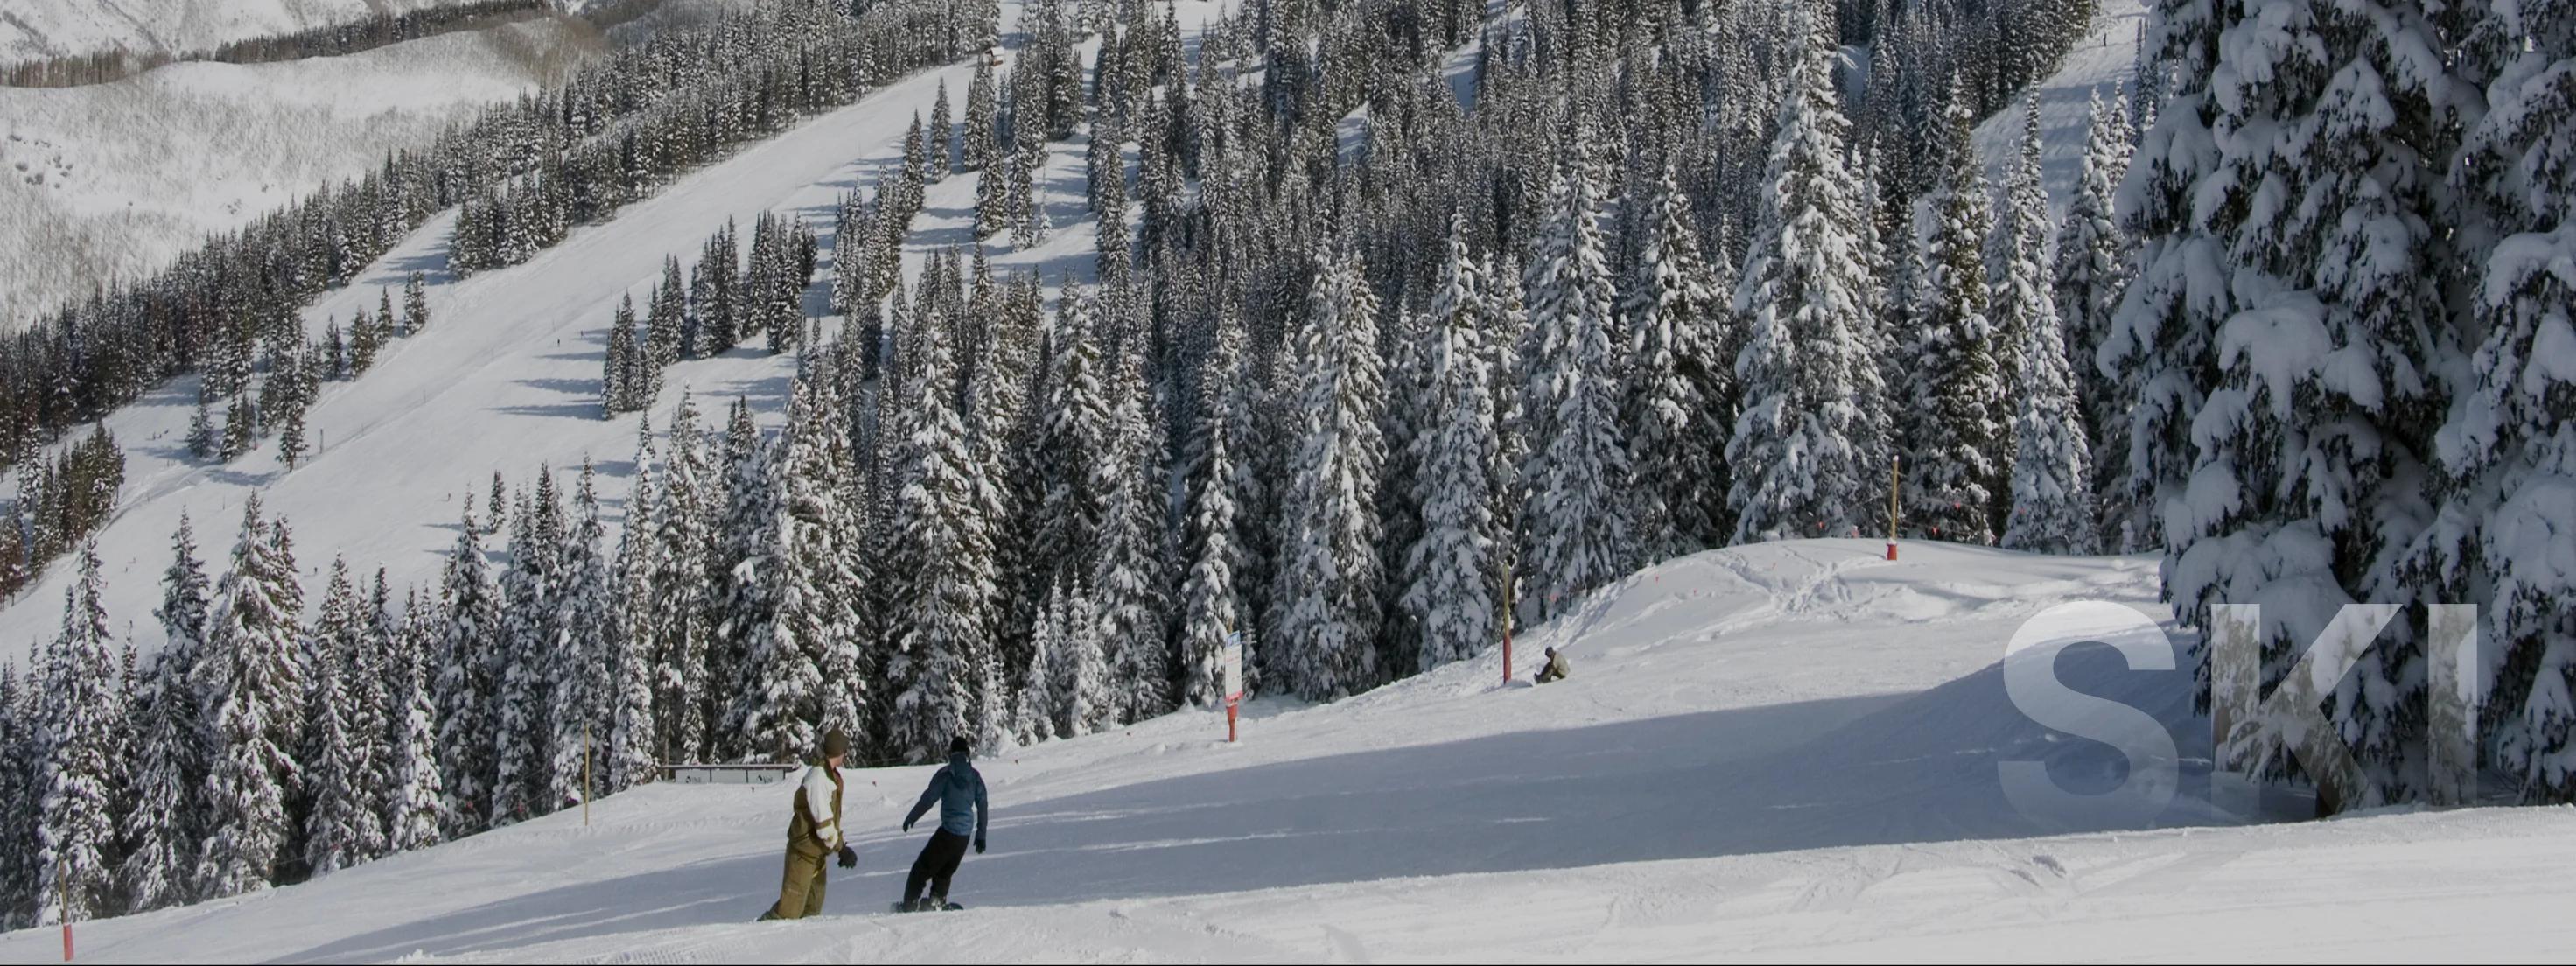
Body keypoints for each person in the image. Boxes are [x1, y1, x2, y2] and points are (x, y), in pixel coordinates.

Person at [758, 729, 859, 921]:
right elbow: (824, 825)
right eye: (844, 749)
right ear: (839, 751)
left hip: (816, 854)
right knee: (788, 912)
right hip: (803, 855)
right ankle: (755, 935)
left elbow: (832, 822)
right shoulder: (819, 779)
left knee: (812, 911)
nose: (845, 753)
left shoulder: (831, 777)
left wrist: (840, 844)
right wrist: (841, 849)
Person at [899, 735, 989, 912]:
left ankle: (909, 904)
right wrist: (981, 834)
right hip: (965, 835)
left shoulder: (946, 774)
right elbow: (983, 803)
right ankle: (936, 900)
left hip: (948, 832)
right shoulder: (975, 776)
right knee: (945, 870)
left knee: (922, 867)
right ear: (967, 754)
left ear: (951, 753)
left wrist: (912, 817)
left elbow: (929, 797)